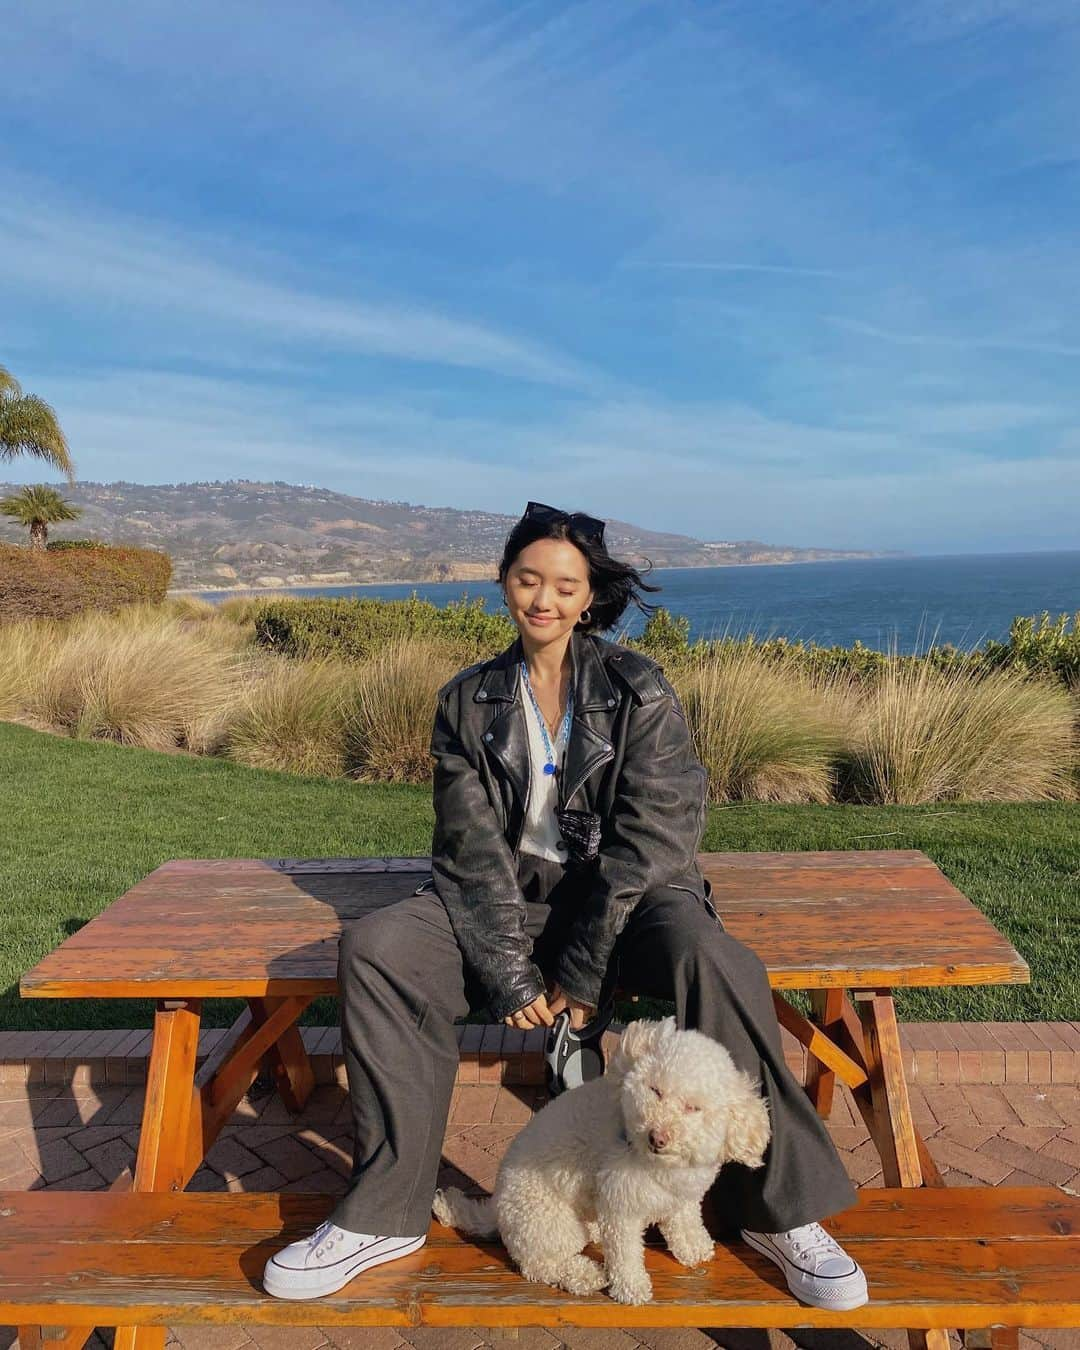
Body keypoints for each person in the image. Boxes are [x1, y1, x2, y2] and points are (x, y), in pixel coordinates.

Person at [263, 500, 869, 1311]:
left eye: (564, 585)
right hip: (510, 904)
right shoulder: (467, 702)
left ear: (589, 599)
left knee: (716, 959)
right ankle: (386, 1213)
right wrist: (509, 972)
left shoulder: (638, 689)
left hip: (634, 900)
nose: (542, 599)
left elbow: (650, 842)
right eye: (527, 579)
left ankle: (774, 1211)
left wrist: (581, 973)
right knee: (378, 948)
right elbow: (469, 850)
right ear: (505, 585)